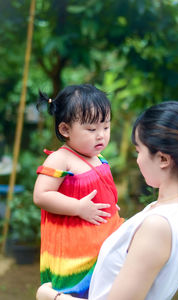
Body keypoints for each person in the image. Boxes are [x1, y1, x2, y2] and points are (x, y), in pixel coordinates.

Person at [36, 100, 178, 300]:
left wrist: (53, 297)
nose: (138, 159)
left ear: (163, 159)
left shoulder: (159, 225)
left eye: (139, 151)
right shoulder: (174, 210)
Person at [33, 84, 124, 298]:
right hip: (75, 250)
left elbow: (101, 187)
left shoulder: (98, 157)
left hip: (103, 239)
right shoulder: (60, 158)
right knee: (77, 292)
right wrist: (78, 207)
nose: (101, 135)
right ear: (65, 130)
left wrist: (110, 202)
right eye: (92, 129)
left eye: (106, 127)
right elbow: (41, 195)